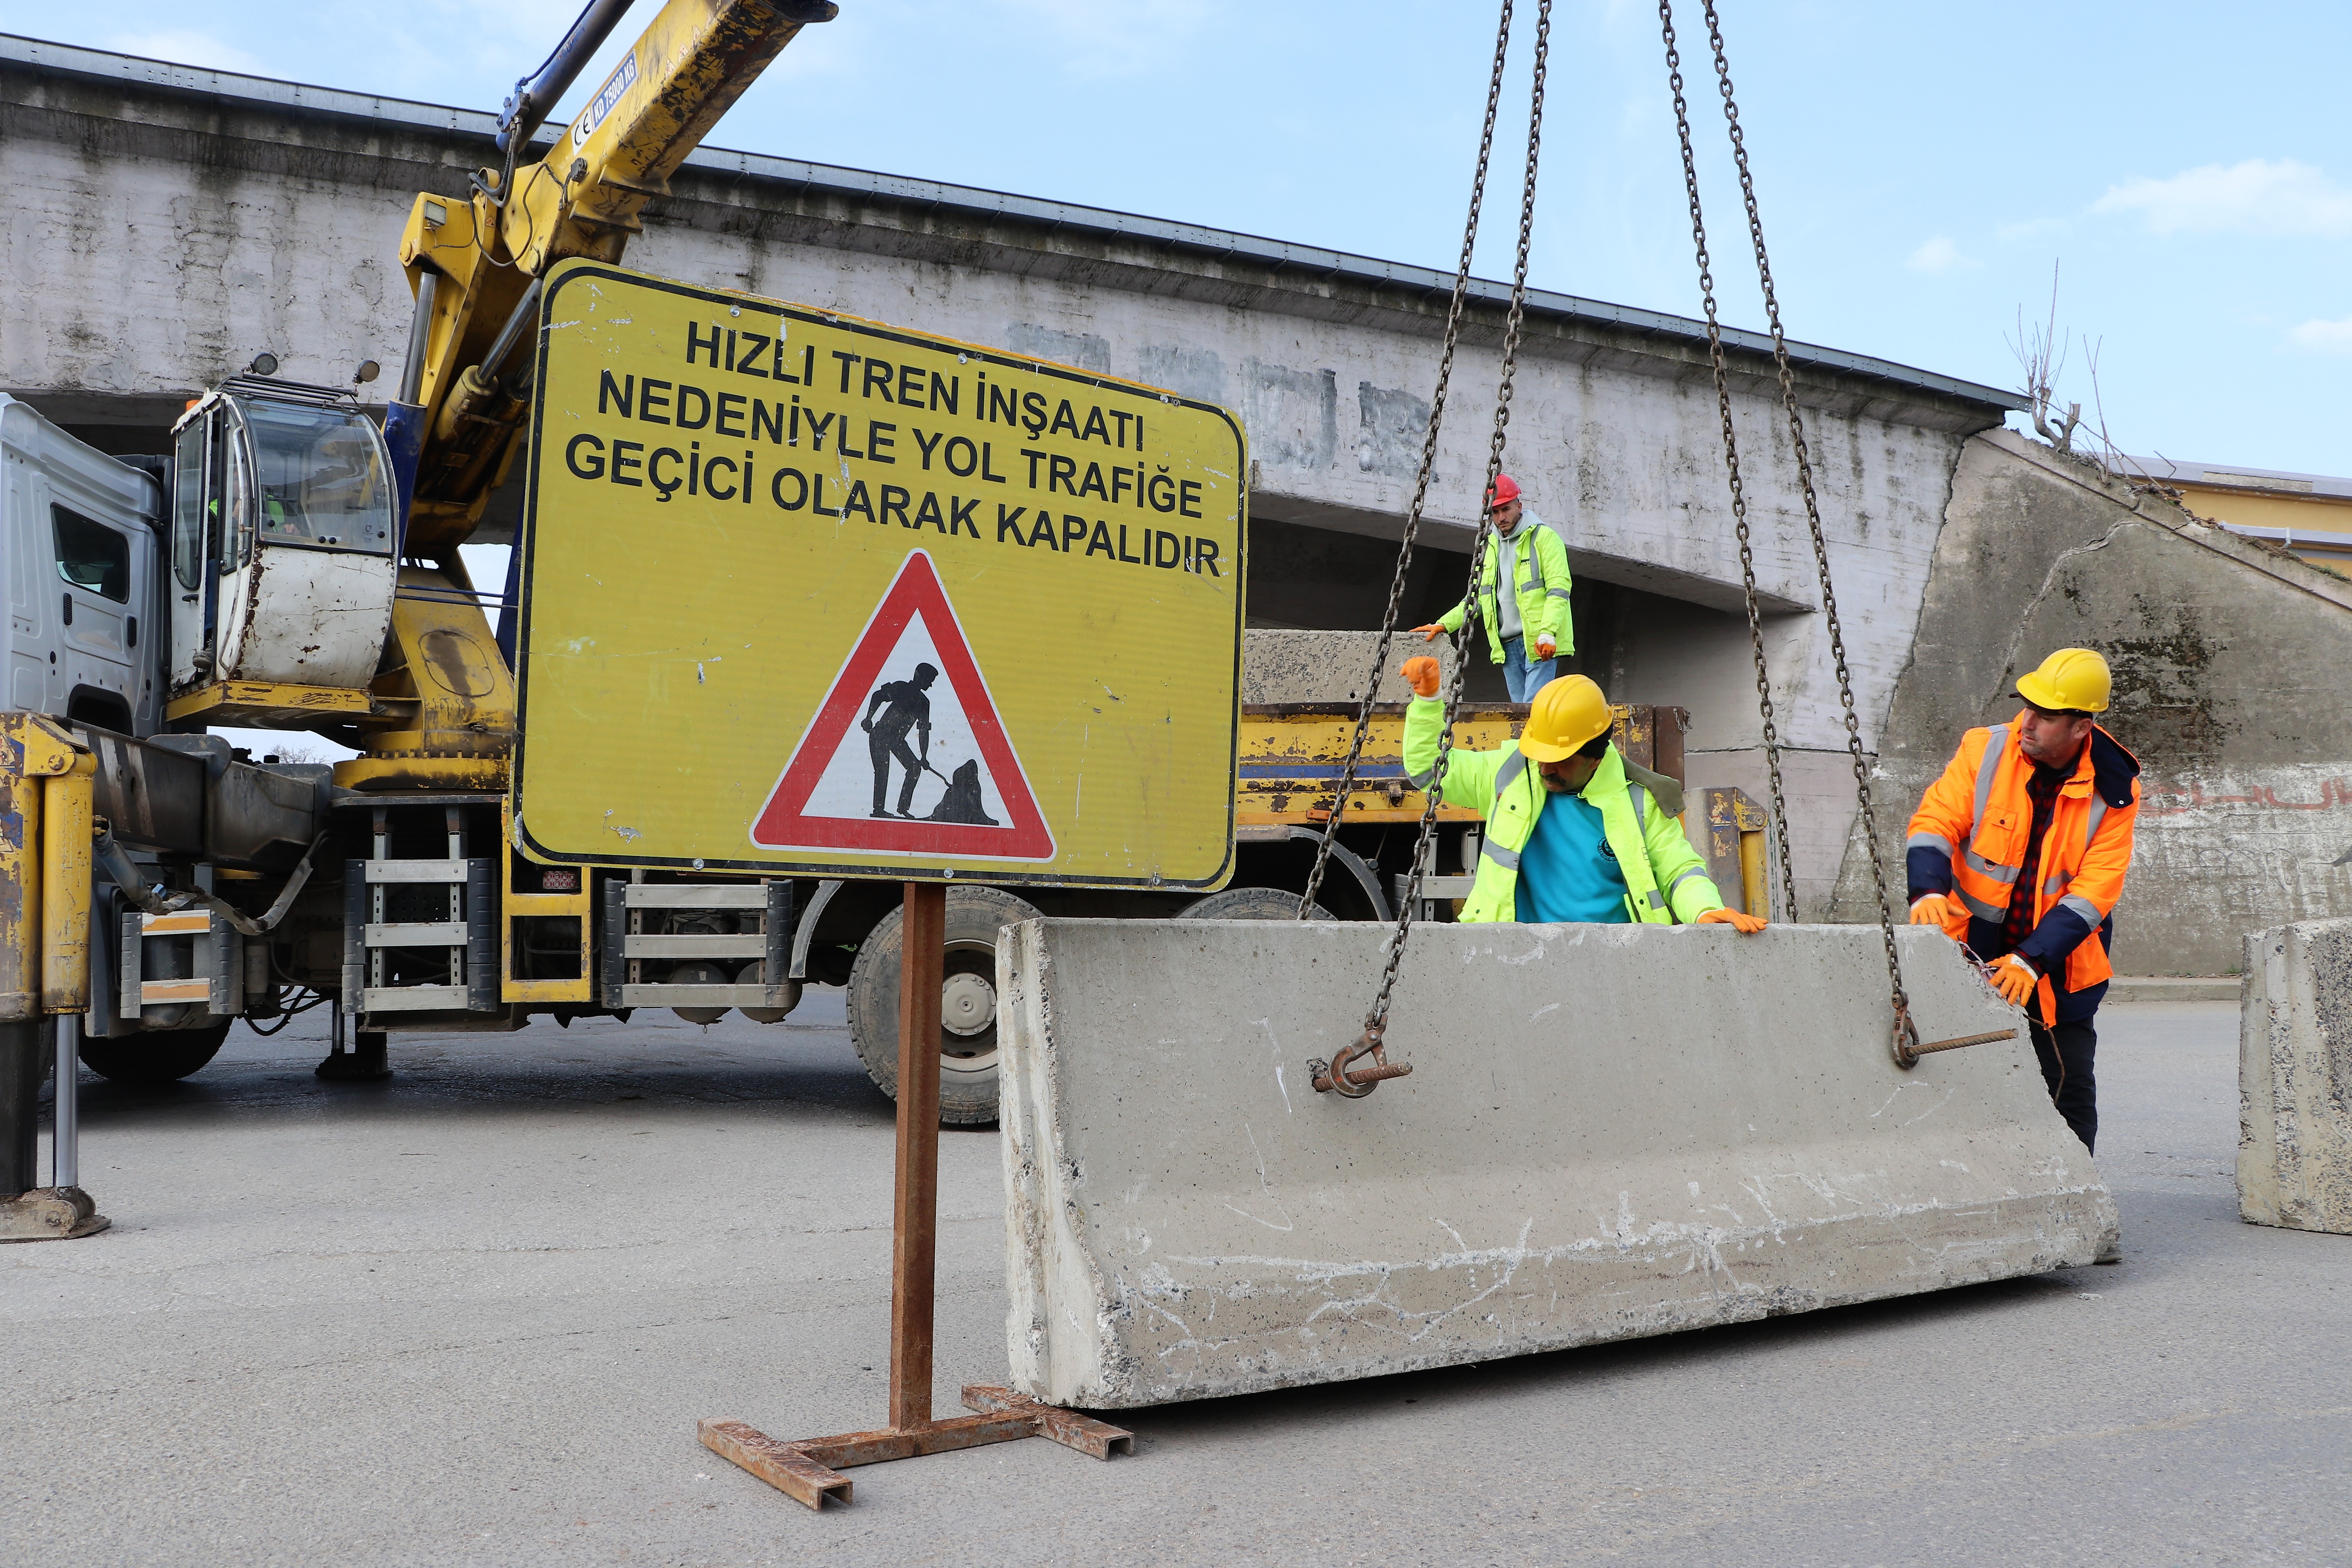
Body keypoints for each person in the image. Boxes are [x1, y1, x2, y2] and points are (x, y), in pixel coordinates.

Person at [1905, 648, 2141, 1153]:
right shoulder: (1985, 750)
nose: (2026, 722)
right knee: (1959, 1086)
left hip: (2055, 966)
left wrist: (2032, 961)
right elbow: (1936, 821)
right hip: (1971, 954)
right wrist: (1927, 888)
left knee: (2068, 1087)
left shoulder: (2116, 790)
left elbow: (2094, 890)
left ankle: (2075, 1201)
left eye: (2046, 714)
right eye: (2026, 705)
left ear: (2081, 727)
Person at [1399, 657, 1767, 932]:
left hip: (1611, 969)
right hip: (1510, 958)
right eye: (1539, 755)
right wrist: (1429, 702)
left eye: (1559, 761)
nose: (1544, 769)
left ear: (1595, 758)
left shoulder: (1639, 799)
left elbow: (1679, 870)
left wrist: (1704, 910)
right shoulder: (1508, 772)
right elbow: (1427, 770)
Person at [1413, 474, 1572, 702]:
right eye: (1495, 512)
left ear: (1519, 506)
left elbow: (1559, 589)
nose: (1500, 518)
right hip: (1507, 646)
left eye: (1506, 509)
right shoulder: (1491, 546)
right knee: (1519, 713)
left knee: (1532, 710)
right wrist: (1444, 624)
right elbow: (1478, 597)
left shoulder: (1544, 539)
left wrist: (1548, 632)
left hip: (1538, 641)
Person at [861, 662, 937, 819]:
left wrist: (923, 757)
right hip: (880, 736)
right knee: (883, 771)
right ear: (919, 676)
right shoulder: (902, 688)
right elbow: (878, 696)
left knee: (915, 768)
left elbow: (923, 730)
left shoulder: (924, 703)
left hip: (897, 741)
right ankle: (879, 811)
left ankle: (903, 808)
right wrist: (868, 718)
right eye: (929, 680)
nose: (930, 685)